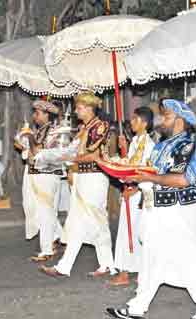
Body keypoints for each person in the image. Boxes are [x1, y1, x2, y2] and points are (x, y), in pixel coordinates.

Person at [106, 99, 196, 319]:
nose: (161, 120)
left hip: (181, 210)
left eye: (166, 116)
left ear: (180, 120)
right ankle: (137, 307)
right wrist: (127, 171)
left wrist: (147, 176)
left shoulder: (188, 145)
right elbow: (149, 170)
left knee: (187, 256)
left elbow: (183, 179)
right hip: (158, 209)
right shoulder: (161, 145)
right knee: (151, 257)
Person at [40, 92, 115, 278]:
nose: (76, 111)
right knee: (88, 221)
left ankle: (68, 266)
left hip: (95, 177)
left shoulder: (100, 126)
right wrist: (57, 156)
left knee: (87, 220)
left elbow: (93, 155)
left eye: (79, 108)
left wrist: (69, 159)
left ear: (89, 108)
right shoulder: (84, 128)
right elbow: (70, 150)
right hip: (83, 176)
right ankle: (105, 264)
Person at [108, 106, 156, 287]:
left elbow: (148, 170)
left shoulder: (150, 145)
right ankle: (129, 269)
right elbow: (130, 164)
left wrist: (134, 188)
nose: (132, 122)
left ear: (144, 123)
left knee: (137, 233)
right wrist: (124, 149)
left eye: (135, 119)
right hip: (130, 191)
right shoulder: (135, 141)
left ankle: (127, 272)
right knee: (128, 231)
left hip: (141, 194)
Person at [15, 99, 64, 262]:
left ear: (46, 114)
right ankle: (57, 236)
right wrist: (23, 140)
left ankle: (47, 249)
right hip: (36, 174)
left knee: (45, 212)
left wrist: (28, 137)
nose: (34, 116)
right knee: (35, 209)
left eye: (37, 113)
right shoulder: (40, 130)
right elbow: (27, 149)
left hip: (46, 176)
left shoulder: (53, 131)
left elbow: (37, 151)